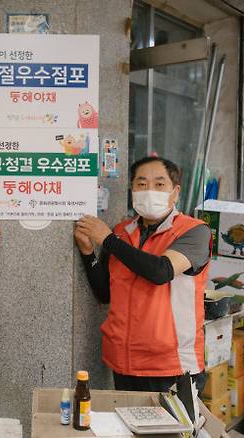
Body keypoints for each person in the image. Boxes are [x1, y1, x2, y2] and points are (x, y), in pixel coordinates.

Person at [74, 156, 211, 392]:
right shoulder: (121, 232)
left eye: (159, 184)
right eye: (141, 184)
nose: (149, 190)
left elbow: (161, 271)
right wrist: (88, 253)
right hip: (123, 361)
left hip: (171, 366)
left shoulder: (194, 232)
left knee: (173, 430)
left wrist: (107, 240)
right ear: (132, 190)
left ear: (175, 192)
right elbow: (105, 293)